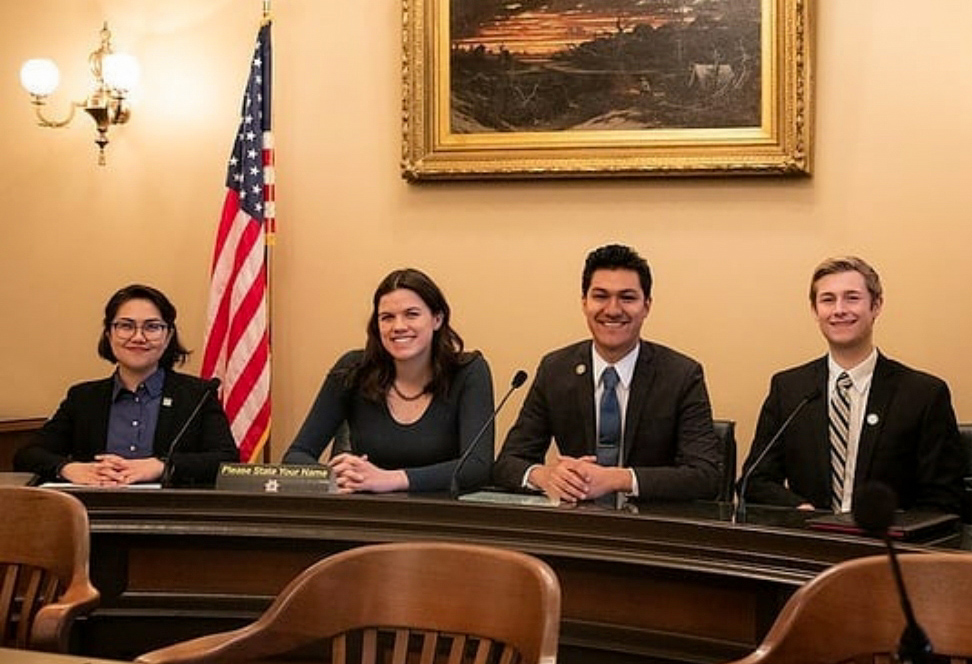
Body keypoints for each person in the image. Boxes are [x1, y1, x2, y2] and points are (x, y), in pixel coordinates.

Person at [493, 244, 722, 505]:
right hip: (576, 527)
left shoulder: (681, 375)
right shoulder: (555, 369)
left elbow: (705, 477)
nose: (612, 310)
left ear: (647, 306)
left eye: (627, 297)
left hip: (653, 529)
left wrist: (617, 479)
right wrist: (544, 476)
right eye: (600, 296)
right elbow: (506, 464)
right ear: (584, 303)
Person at [740, 256, 965, 514]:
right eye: (827, 300)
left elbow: (944, 498)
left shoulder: (923, 395)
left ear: (876, 305)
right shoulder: (789, 389)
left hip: (886, 547)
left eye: (852, 298)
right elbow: (755, 480)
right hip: (810, 542)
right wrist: (800, 509)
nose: (839, 310)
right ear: (815, 310)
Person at [283, 268, 494, 493]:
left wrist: (390, 479)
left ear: (437, 319)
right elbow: (296, 456)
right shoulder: (353, 369)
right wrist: (332, 476)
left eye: (412, 314)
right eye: (387, 318)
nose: (399, 326)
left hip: (441, 518)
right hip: (367, 516)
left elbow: (477, 468)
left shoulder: (469, 371)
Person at [15, 284, 239, 486]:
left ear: (168, 336)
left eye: (152, 327)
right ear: (109, 334)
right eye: (125, 326)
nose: (138, 337)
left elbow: (227, 460)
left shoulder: (197, 396)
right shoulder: (83, 398)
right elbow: (28, 454)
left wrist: (162, 467)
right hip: (94, 518)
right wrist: (69, 469)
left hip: (172, 520)